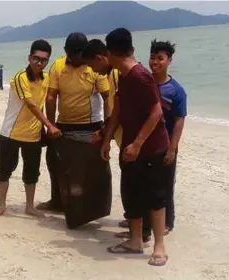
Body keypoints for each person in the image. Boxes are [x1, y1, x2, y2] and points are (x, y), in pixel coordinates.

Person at [101, 28, 170, 266]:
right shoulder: (124, 74)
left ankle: (159, 246)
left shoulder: (140, 75)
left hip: (149, 148)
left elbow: (156, 111)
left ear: (111, 53)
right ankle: (135, 240)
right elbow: (119, 109)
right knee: (132, 194)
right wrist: (107, 138)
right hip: (130, 146)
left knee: (154, 197)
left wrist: (138, 144)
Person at [38, 33, 111, 213]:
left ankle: (91, 206)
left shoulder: (94, 66)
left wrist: (107, 128)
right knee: (55, 163)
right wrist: (51, 125)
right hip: (63, 124)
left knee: (90, 168)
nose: (76, 59)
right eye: (72, 56)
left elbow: (107, 97)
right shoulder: (58, 65)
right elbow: (51, 96)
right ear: (66, 52)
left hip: (91, 125)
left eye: (80, 55)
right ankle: (57, 201)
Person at [0, 39, 61, 218]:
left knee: (31, 173)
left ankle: (30, 206)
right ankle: (1, 206)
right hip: (10, 133)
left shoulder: (46, 79)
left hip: (33, 136)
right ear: (29, 57)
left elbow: (46, 101)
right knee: (4, 170)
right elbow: (31, 105)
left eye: (44, 60)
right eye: (36, 58)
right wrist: (50, 125)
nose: (40, 63)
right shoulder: (20, 78)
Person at [139, 39, 186, 239]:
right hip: (146, 144)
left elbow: (178, 121)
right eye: (152, 57)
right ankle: (145, 223)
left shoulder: (175, 90)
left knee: (165, 185)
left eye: (160, 58)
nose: (155, 62)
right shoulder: (145, 83)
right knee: (144, 184)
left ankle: (167, 222)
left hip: (165, 146)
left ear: (169, 61)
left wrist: (172, 149)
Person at [82, 39, 122, 148]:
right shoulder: (111, 74)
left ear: (99, 58)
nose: (93, 71)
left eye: (91, 66)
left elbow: (120, 112)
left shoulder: (116, 74)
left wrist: (103, 133)